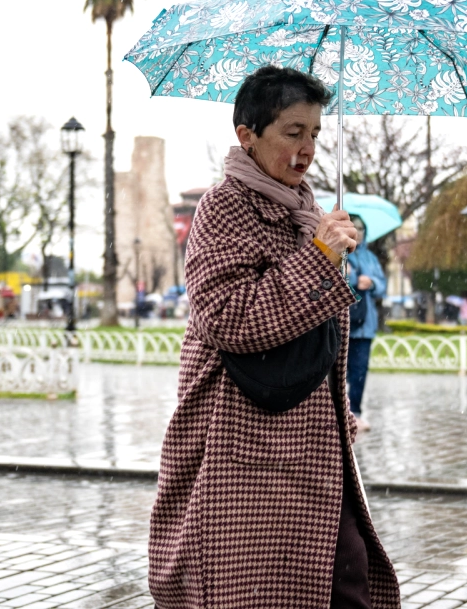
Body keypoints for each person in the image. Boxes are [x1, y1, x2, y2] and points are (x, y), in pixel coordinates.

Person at [147, 66, 398, 609]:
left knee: (347, 578)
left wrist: (340, 415)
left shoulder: (309, 211)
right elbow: (229, 319)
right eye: (293, 132)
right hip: (241, 441)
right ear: (248, 134)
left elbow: (318, 331)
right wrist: (321, 258)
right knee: (259, 589)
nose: (307, 148)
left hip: (314, 442)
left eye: (315, 134)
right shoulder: (224, 205)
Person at [346, 215, 387, 433]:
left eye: (362, 228)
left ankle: (356, 413)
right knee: (337, 371)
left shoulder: (371, 258)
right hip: (341, 322)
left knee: (359, 371)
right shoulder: (339, 251)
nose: (358, 231)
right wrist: (352, 279)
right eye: (355, 227)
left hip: (364, 325)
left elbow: (382, 286)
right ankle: (336, 412)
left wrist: (371, 283)